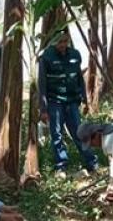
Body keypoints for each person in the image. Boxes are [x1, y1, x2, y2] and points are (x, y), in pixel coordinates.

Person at [38, 29, 98, 175]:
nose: (63, 44)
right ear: (54, 42)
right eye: (60, 41)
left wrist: (85, 99)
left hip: (72, 101)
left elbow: (79, 78)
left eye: (65, 41)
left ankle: (92, 162)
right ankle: (61, 165)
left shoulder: (74, 55)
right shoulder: (46, 57)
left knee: (79, 132)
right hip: (54, 101)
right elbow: (42, 84)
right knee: (56, 134)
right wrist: (43, 109)